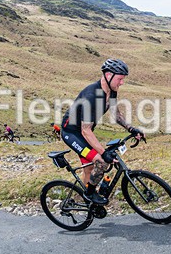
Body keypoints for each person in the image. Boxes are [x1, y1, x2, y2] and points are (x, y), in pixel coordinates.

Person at [60, 59, 144, 205]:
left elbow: (115, 113)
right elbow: (85, 131)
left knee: (90, 168)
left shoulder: (111, 91)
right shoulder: (92, 96)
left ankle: (88, 204)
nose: (122, 82)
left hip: (85, 132)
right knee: (102, 162)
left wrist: (131, 128)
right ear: (109, 75)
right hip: (72, 134)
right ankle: (90, 194)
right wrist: (103, 152)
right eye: (120, 79)